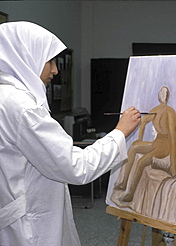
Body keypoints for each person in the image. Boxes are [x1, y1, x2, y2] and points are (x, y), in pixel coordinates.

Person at [0, 21, 141, 245]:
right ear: (27, 57)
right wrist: (120, 132)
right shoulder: (22, 107)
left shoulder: (5, 97)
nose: (55, 70)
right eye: (50, 61)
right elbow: (76, 167)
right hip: (29, 225)